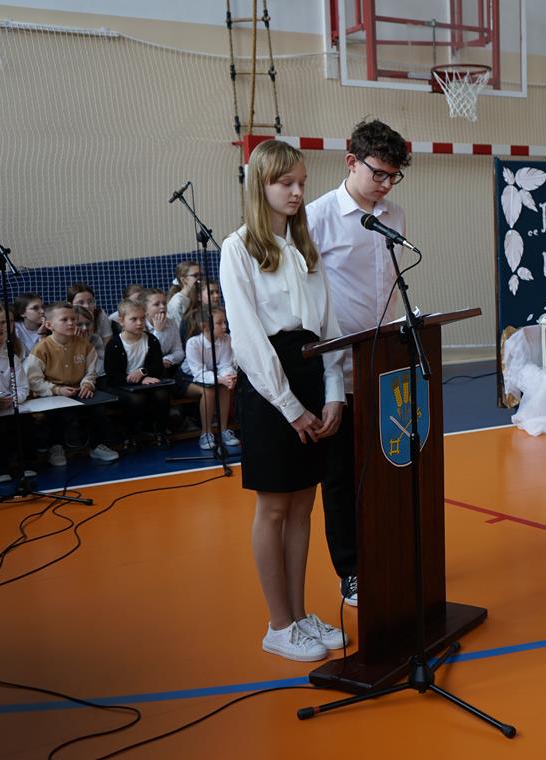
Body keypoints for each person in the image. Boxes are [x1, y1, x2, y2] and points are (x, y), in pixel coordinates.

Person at [219, 139, 348, 662]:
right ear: (261, 185)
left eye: (301, 183)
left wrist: (334, 394)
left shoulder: (305, 248)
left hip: (312, 372)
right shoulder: (238, 249)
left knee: (303, 504)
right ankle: (278, 623)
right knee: (274, 507)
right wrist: (291, 407)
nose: (297, 192)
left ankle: (299, 615)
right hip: (271, 386)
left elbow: (328, 327)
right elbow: (250, 340)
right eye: (285, 183)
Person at [306, 118, 411, 607]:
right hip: (337, 366)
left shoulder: (394, 215)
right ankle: (349, 569)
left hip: (384, 361)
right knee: (341, 476)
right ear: (351, 162)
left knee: (388, 464)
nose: (386, 184)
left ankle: (387, 551)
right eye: (379, 174)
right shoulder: (317, 217)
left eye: (394, 176)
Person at [24, 302, 119, 466]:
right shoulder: (41, 348)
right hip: (52, 394)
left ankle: (96, 446)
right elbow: (34, 380)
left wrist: (87, 384)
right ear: (49, 325)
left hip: (78, 391)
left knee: (98, 409)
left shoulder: (85, 345)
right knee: (58, 414)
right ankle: (56, 447)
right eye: (64, 320)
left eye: (73, 319)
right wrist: (57, 390)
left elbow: (91, 371)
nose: (71, 323)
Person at [104, 299, 171, 451]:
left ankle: (161, 433)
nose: (139, 323)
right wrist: (137, 380)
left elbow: (157, 366)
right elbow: (113, 375)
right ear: (121, 321)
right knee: (136, 399)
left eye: (142, 318)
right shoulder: (114, 344)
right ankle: (130, 436)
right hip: (121, 385)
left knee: (162, 394)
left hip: (144, 382)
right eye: (133, 319)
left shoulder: (151, 339)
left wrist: (142, 373)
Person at [180, 307, 239, 450]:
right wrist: (220, 379)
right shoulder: (193, 343)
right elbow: (198, 373)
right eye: (219, 323)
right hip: (187, 378)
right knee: (209, 391)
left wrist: (228, 377)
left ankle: (224, 430)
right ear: (204, 327)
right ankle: (205, 433)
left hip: (213, 375)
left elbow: (225, 364)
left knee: (224, 388)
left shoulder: (226, 339)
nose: (224, 326)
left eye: (225, 322)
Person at [0, 305, 33, 482]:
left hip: (9, 406)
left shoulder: (11, 357)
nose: (1, 330)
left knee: (24, 421)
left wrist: (12, 400)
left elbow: (22, 388)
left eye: (1, 332)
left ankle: (24, 464)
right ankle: (1, 468)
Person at [142, 288, 184, 376]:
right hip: (145, 372)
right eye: (156, 304)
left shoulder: (171, 323)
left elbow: (179, 352)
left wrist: (167, 359)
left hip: (167, 369)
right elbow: (148, 357)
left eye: (164, 303)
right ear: (145, 310)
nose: (162, 307)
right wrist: (158, 332)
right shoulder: (140, 326)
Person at [167, 260, 201, 333]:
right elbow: (181, 331)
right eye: (195, 276)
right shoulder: (178, 302)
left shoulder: (197, 297)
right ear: (184, 280)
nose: (199, 279)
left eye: (200, 275)